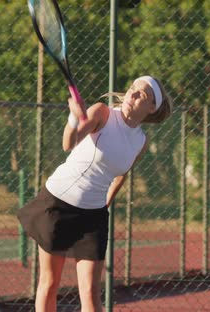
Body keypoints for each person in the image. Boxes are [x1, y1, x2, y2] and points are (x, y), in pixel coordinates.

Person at [18, 75, 172, 312]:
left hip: (93, 216)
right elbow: (68, 143)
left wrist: (105, 203)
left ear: (152, 108)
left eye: (142, 94)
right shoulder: (103, 113)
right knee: (50, 283)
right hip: (59, 203)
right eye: (133, 88)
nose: (132, 94)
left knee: (90, 292)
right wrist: (73, 116)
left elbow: (122, 173)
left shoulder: (140, 141)